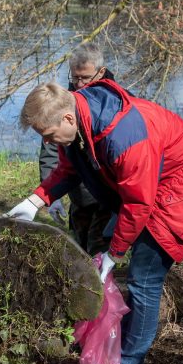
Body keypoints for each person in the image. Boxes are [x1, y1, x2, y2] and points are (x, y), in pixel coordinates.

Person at [6, 77, 183, 364]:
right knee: (119, 254)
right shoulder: (80, 118)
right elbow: (71, 169)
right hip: (152, 189)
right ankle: (120, 330)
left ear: (67, 118)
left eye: (50, 134)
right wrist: (37, 199)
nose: (50, 143)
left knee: (144, 278)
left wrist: (115, 254)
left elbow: (138, 204)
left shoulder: (124, 135)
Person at [39, 44, 116, 255]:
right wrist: (51, 196)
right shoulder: (63, 103)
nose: (79, 84)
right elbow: (50, 151)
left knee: (98, 249)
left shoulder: (116, 102)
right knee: (78, 249)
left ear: (100, 72)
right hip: (78, 195)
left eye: (85, 78)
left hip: (107, 195)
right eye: (75, 78)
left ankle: (101, 282)